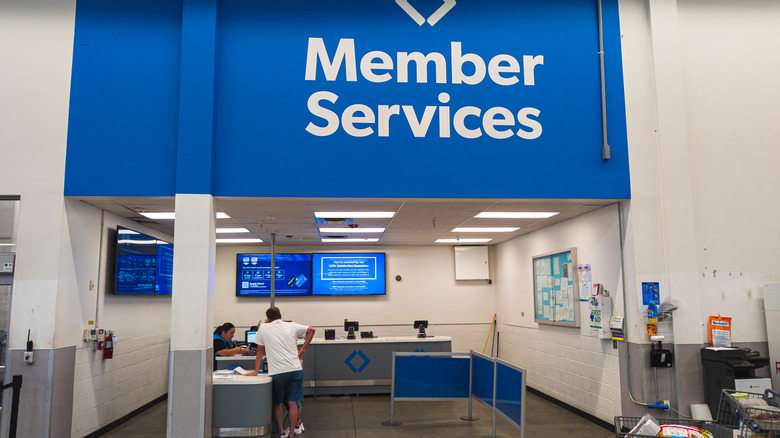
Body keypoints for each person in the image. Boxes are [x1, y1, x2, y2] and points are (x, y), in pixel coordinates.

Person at [249, 307, 314, 438]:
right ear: (280, 315)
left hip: (277, 371)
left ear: (268, 318)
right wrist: (304, 349)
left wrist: (255, 371)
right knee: (292, 402)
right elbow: (311, 330)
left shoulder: (263, 328)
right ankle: (291, 434)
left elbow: (260, 351)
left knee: (277, 402)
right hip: (295, 369)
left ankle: (280, 432)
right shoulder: (291, 325)